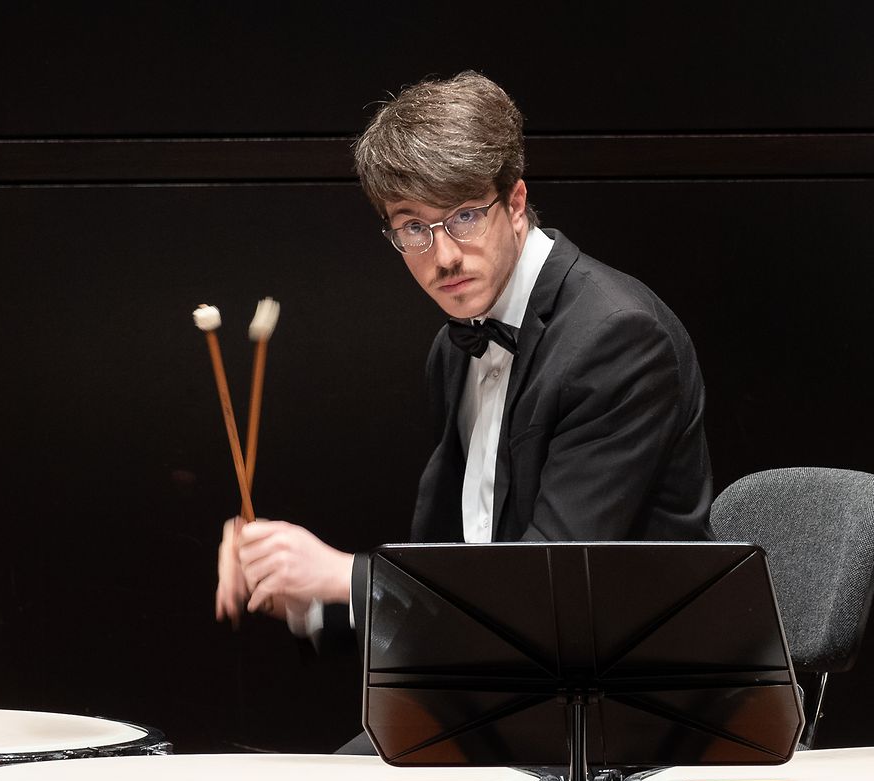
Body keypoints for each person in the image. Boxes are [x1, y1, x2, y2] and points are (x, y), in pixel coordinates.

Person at [214, 70, 712, 644]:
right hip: (502, 683)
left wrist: (343, 576)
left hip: (613, 700)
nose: (443, 256)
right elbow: (453, 569)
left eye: (465, 216)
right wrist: (305, 595)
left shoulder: (617, 339)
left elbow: (549, 585)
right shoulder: (455, 347)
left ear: (517, 202)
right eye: (413, 227)